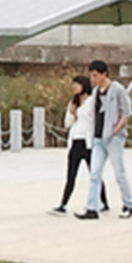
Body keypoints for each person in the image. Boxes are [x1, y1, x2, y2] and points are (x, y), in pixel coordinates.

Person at [75, 60, 132, 220]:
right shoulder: (95, 93)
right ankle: (92, 208)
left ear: (104, 74)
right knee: (94, 173)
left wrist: (116, 129)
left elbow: (127, 112)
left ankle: (128, 204)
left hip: (113, 138)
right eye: (91, 76)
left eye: (95, 75)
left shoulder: (117, 89)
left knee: (119, 173)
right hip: (98, 138)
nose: (93, 79)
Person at [49, 75, 109, 215]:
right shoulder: (73, 102)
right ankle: (63, 204)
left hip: (88, 143)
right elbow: (67, 124)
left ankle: (104, 202)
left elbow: (95, 119)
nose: (74, 87)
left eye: (77, 84)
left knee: (94, 174)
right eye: (73, 84)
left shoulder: (92, 101)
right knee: (71, 175)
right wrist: (72, 113)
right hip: (75, 141)